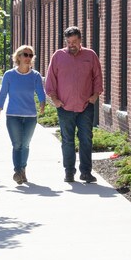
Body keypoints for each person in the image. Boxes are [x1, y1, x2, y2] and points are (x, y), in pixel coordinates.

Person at [45, 26, 103, 184]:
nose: (71, 45)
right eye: (69, 42)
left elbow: (97, 76)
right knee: (67, 141)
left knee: (86, 139)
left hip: (86, 106)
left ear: (80, 40)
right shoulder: (58, 56)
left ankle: (86, 172)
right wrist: (55, 100)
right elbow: (51, 79)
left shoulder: (90, 55)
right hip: (65, 107)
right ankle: (69, 172)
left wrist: (95, 96)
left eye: (74, 42)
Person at [0, 45, 46, 185]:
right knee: (17, 145)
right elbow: (3, 93)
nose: (28, 58)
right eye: (25, 55)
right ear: (18, 57)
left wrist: (42, 103)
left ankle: (22, 170)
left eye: (30, 55)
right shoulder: (9, 75)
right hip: (13, 116)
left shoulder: (35, 76)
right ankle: (18, 171)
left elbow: (40, 91)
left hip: (30, 116)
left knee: (25, 145)